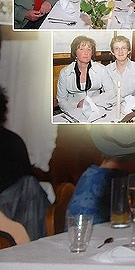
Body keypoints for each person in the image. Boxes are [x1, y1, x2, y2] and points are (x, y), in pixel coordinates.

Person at [0, 86, 50, 240]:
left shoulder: (13, 141)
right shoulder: (14, 140)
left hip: (14, 215)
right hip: (14, 216)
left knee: (29, 188)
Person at [56, 35, 107, 119]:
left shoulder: (102, 69)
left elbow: (110, 92)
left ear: (92, 53)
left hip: (96, 109)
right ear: (75, 52)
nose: (86, 53)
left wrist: (89, 102)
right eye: (81, 49)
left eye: (89, 49)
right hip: (73, 111)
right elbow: (61, 99)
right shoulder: (65, 73)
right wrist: (73, 112)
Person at [102, 35, 135, 100]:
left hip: (133, 105)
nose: (120, 51)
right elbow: (106, 94)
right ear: (112, 52)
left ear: (129, 51)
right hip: (112, 104)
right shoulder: (106, 70)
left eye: (123, 48)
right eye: (117, 48)